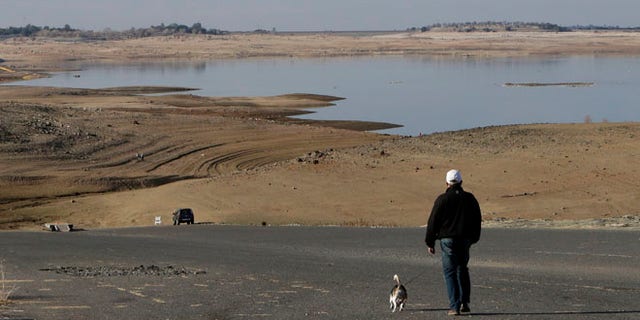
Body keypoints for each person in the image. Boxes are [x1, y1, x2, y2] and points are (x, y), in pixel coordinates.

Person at [425, 169, 482, 316]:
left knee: (450, 272)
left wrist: (430, 242)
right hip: (465, 240)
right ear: (461, 182)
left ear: (447, 183)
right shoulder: (470, 198)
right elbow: (477, 219)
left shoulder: (442, 199)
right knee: (462, 269)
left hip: (448, 240)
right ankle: (464, 302)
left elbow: (433, 222)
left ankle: (454, 306)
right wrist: (474, 238)